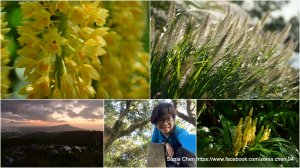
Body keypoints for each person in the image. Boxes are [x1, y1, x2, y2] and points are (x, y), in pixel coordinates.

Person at [151, 103, 196, 167]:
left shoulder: (179, 131)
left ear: (173, 120)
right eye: (160, 120)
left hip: (182, 158)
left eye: (169, 118)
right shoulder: (157, 130)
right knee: (159, 150)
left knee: (184, 149)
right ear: (155, 123)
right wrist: (165, 143)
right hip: (168, 160)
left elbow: (186, 138)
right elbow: (153, 144)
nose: (165, 123)